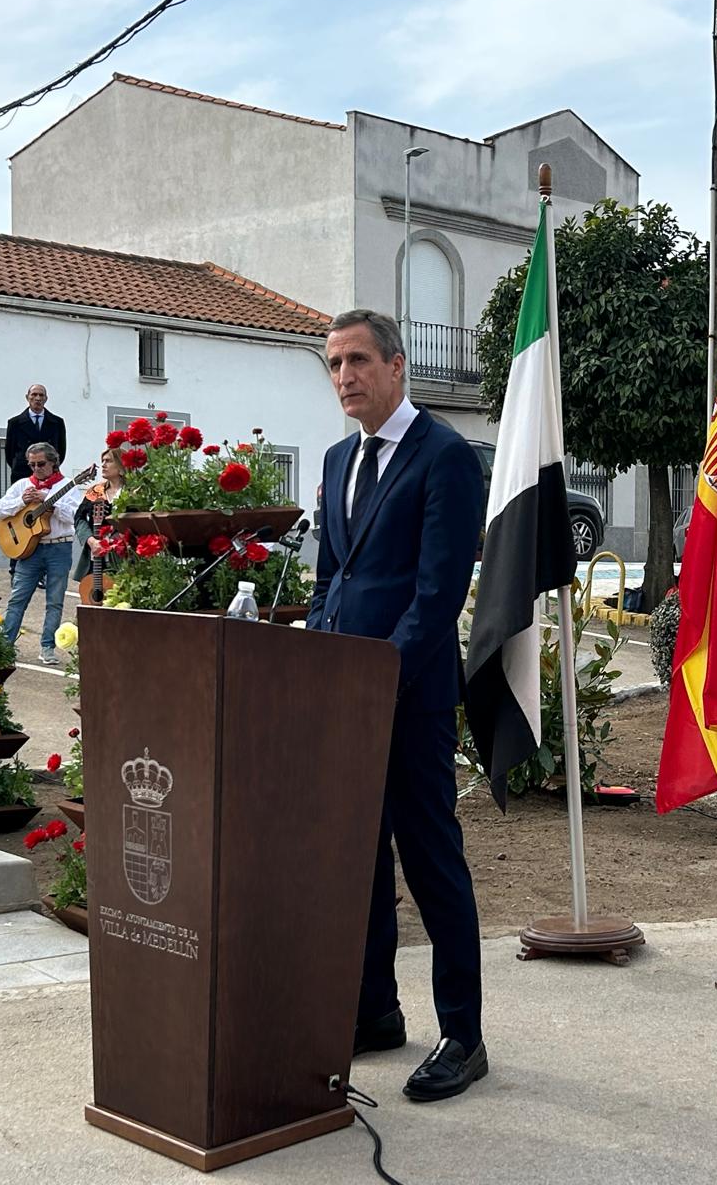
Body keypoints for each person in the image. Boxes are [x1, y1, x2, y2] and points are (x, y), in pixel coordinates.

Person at [308, 309, 487, 1103]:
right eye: (333, 365)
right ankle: (375, 1011)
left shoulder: (444, 456)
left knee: (430, 861)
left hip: (408, 700)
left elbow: (436, 592)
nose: (343, 377)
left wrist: (378, 676)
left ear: (396, 365)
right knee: (358, 862)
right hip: (343, 696)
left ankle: (463, 1034)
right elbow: (331, 580)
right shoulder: (338, 455)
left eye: (356, 361)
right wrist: (316, 654)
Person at [0, 442, 80, 664]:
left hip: (60, 546)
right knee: (17, 598)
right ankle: (5, 645)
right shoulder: (22, 485)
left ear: (53, 462)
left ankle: (47, 648)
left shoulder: (68, 485)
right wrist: (23, 501)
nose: (36, 469)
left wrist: (53, 505)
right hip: (28, 549)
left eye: (41, 464)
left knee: (55, 601)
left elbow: (76, 516)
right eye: (31, 465)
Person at [73, 447, 124, 591]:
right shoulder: (95, 491)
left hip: (123, 555)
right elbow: (79, 518)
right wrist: (91, 541)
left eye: (108, 461)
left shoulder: (134, 491)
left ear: (120, 465)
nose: (103, 465)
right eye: (103, 461)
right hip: (96, 555)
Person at [5, 384, 66, 483]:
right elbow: (10, 453)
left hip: (49, 475)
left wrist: (48, 466)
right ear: (27, 397)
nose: (37, 398)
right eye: (34, 394)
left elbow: (61, 451)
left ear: (46, 399)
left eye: (41, 395)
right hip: (22, 475)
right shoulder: (15, 423)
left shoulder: (57, 422)